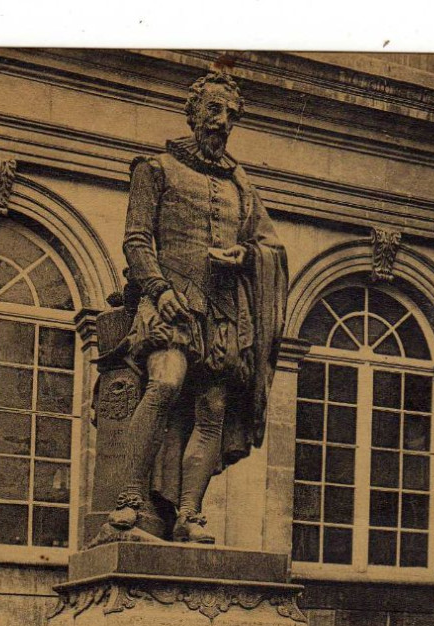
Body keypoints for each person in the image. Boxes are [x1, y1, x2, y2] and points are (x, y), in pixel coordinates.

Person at [104, 70, 288, 544]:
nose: (222, 121)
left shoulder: (242, 185)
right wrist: (159, 290)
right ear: (193, 113)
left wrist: (245, 256)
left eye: (230, 115)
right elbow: (137, 239)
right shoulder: (156, 168)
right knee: (165, 382)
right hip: (171, 301)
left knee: (213, 410)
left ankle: (190, 513)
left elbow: (270, 246)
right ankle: (129, 498)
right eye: (213, 110)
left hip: (226, 311)